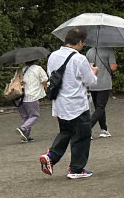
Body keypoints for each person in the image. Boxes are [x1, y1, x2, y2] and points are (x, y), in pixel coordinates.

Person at [39, 29, 98, 180]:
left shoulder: (53, 56)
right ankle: (76, 168)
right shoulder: (80, 59)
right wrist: (94, 72)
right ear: (79, 42)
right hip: (77, 103)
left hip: (60, 102)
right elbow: (89, 81)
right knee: (82, 135)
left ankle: (51, 156)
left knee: (66, 132)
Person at [86, 43, 117, 138]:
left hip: (92, 83)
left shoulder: (89, 51)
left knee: (98, 107)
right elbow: (113, 67)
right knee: (100, 107)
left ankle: (104, 129)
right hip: (104, 83)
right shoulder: (109, 50)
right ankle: (88, 128)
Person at [17, 59, 49, 142]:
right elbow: (44, 80)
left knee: (26, 117)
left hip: (19, 97)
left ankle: (25, 136)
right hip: (31, 96)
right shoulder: (38, 68)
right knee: (34, 115)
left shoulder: (20, 70)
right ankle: (23, 128)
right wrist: (47, 90)